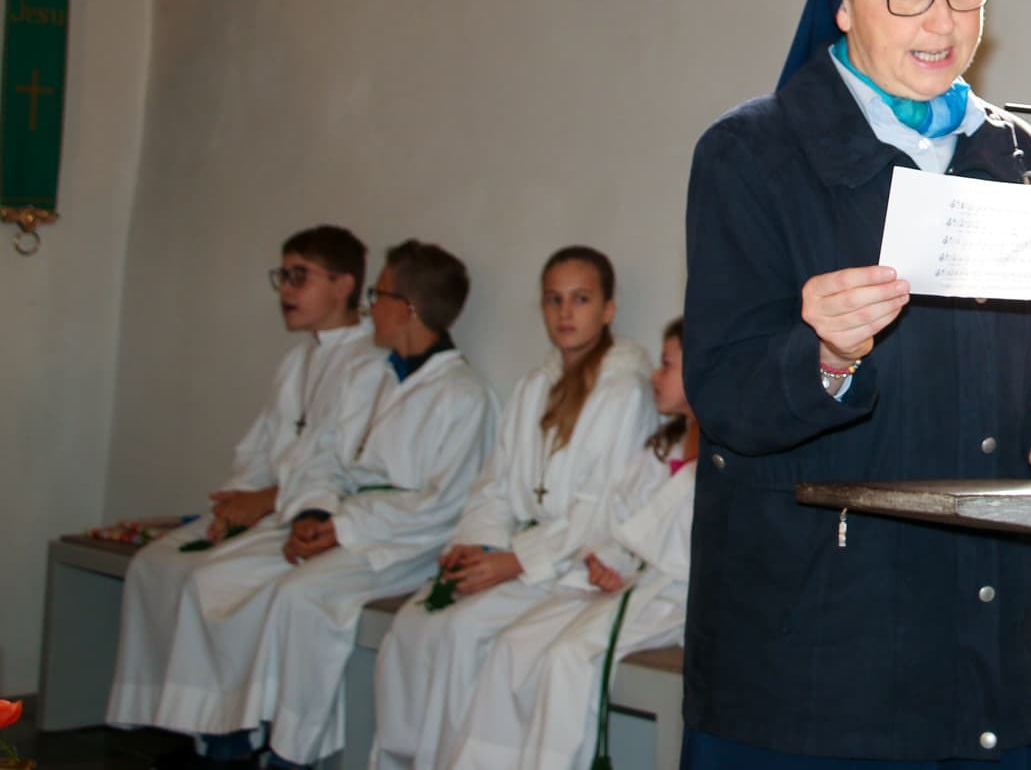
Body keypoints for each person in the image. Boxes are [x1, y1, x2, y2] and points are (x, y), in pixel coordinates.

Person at [681, 0, 1031, 769]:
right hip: (819, 657)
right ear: (843, 2)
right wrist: (825, 354)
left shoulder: (1017, 157)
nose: (943, 20)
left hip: (991, 642)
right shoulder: (752, 154)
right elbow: (724, 398)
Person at [150, 239, 497, 768]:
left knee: (301, 597)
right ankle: (224, 733)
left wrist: (344, 528)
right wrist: (313, 513)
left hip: (402, 542)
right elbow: (321, 457)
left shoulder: (463, 395)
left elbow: (442, 505)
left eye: (378, 295)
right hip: (337, 519)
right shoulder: (368, 375)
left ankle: (293, 751)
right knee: (213, 579)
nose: (369, 307)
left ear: (408, 308)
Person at [369, 245, 657, 770]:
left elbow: (600, 509)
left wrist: (515, 561)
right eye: (553, 299)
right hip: (519, 553)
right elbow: (495, 483)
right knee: (413, 626)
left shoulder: (625, 392)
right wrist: (477, 546)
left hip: (569, 564)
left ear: (608, 310)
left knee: (459, 634)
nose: (565, 313)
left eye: (581, 299)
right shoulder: (534, 385)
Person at [107, 225, 388, 732]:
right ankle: (174, 722)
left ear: (344, 284)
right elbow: (260, 445)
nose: (285, 291)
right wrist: (235, 500)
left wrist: (265, 502)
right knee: (153, 567)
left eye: (300, 276)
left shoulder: (371, 362)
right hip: (267, 505)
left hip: (312, 516)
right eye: (283, 276)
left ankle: (229, 731)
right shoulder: (298, 359)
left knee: (209, 583)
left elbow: (348, 467)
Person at [448, 316, 698, 770]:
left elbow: (681, 551)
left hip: (675, 596)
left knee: (566, 658)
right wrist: (608, 561)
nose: (654, 375)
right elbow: (618, 520)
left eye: (667, 364)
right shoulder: (662, 448)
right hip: (629, 582)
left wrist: (627, 563)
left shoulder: (722, 460)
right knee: (514, 644)